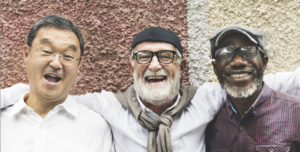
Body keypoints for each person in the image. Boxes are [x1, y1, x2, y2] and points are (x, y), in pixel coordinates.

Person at [1, 26, 300, 152]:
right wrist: (14, 94)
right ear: (132, 66)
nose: (154, 65)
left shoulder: (205, 99)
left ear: (180, 66)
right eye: (144, 57)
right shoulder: (108, 106)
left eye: (165, 56)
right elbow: (52, 94)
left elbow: (265, 84)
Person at [0, 15, 114, 152]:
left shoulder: (96, 129)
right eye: (47, 51)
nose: (56, 63)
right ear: (26, 54)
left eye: (67, 56)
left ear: (79, 64)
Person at [205, 25, 300, 152]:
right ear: (215, 67)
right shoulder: (207, 120)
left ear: (264, 62)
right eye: (225, 53)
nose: (238, 62)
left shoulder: (296, 113)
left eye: (249, 51)